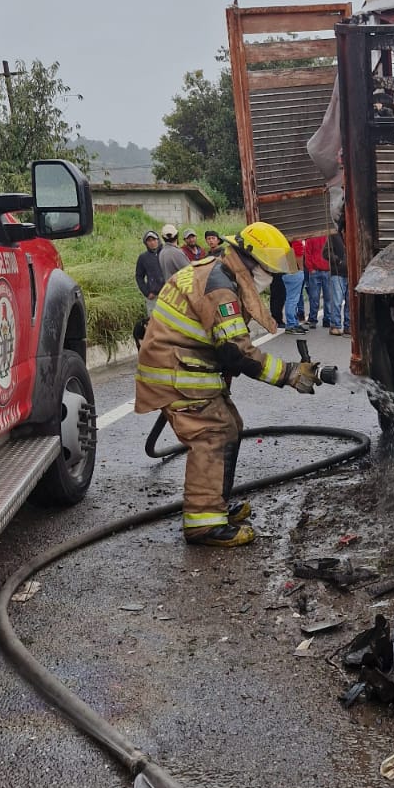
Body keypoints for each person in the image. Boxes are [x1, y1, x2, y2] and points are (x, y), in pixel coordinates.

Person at [134, 222, 322, 547]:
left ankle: (214, 506)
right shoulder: (220, 287)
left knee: (231, 425)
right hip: (178, 371)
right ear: (249, 259)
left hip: (185, 365)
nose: (270, 279)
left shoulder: (220, 271)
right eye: (268, 271)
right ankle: (204, 525)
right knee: (213, 433)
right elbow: (236, 352)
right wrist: (291, 374)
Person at [302, 234, 330, 328]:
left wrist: (310, 268)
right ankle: (327, 319)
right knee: (328, 297)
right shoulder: (328, 236)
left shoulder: (311, 237)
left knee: (314, 297)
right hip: (326, 270)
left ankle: (313, 319)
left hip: (316, 270)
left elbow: (307, 253)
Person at [327, 220, 350, 336]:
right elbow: (325, 253)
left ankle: (348, 326)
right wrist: (338, 260)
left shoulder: (353, 234)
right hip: (337, 273)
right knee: (337, 301)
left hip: (351, 273)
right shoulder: (333, 235)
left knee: (350, 302)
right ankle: (335, 325)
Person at [135, 230, 165, 314]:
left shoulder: (165, 253)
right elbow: (139, 276)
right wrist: (146, 292)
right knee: (153, 321)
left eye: (154, 239)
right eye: (149, 240)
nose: (152, 242)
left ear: (158, 240)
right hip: (153, 296)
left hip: (168, 294)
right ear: (146, 243)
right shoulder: (143, 257)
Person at [283, 238, 306, 330]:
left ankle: (294, 322)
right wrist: (301, 270)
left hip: (287, 270)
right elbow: (299, 253)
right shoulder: (295, 241)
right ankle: (291, 323)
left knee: (292, 299)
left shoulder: (284, 244)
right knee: (292, 299)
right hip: (294, 271)